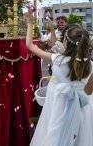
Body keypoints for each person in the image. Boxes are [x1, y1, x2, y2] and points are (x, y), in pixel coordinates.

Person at [25, 7, 93, 145]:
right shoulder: (90, 65)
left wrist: (30, 23)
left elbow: (30, 45)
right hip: (83, 109)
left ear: (66, 42)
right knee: (80, 137)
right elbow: (87, 92)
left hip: (59, 106)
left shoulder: (58, 60)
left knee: (55, 134)